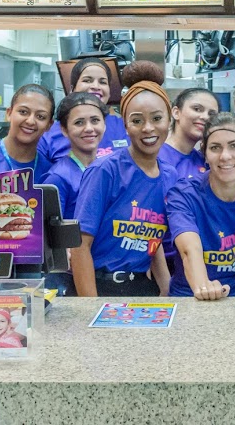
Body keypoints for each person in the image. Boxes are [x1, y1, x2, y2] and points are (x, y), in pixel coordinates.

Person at [70, 61, 177, 297]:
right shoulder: (105, 171)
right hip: (101, 287)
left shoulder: (170, 176)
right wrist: (91, 307)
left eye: (157, 118)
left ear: (169, 120)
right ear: (125, 126)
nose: (148, 128)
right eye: (137, 121)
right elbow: (80, 246)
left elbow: (152, 237)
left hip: (141, 287)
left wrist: (166, 290)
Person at [167, 113, 235, 300]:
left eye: (234, 146)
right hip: (191, 296)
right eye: (215, 148)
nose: (225, 156)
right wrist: (204, 287)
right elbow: (190, 250)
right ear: (205, 154)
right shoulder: (184, 194)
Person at [39, 57, 128, 163]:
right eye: (87, 80)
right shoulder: (49, 134)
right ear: (72, 89)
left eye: (103, 82)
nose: (96, 86)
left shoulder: (124, 127)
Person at [44, 92, 107, 219]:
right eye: (79, 122)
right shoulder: (58, 178)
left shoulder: (108, 169)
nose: (89, 128)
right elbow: (52, 234)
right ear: (64, 130)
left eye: (95, 120)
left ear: (104, 125)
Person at [159, 88, 219, 180]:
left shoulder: (205, 161)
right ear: (176, 112)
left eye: (212, 114)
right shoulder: (155, 156)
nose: (205, 117)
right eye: (197, 109)